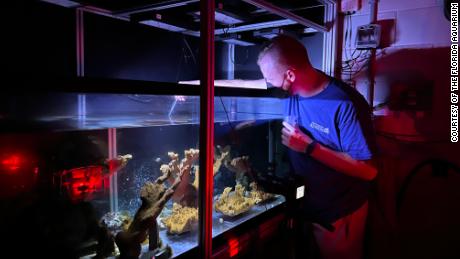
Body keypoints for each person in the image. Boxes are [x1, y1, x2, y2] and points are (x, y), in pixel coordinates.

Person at [183, 34, 378, 259]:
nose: (267, 83)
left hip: (339, 213)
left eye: (269, 78)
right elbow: (244, 85)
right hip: (307, 205)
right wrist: (192, 87)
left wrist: (309, 147)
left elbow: (369, 170)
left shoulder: (343, 104)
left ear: (290, 74)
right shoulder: (287, 88)